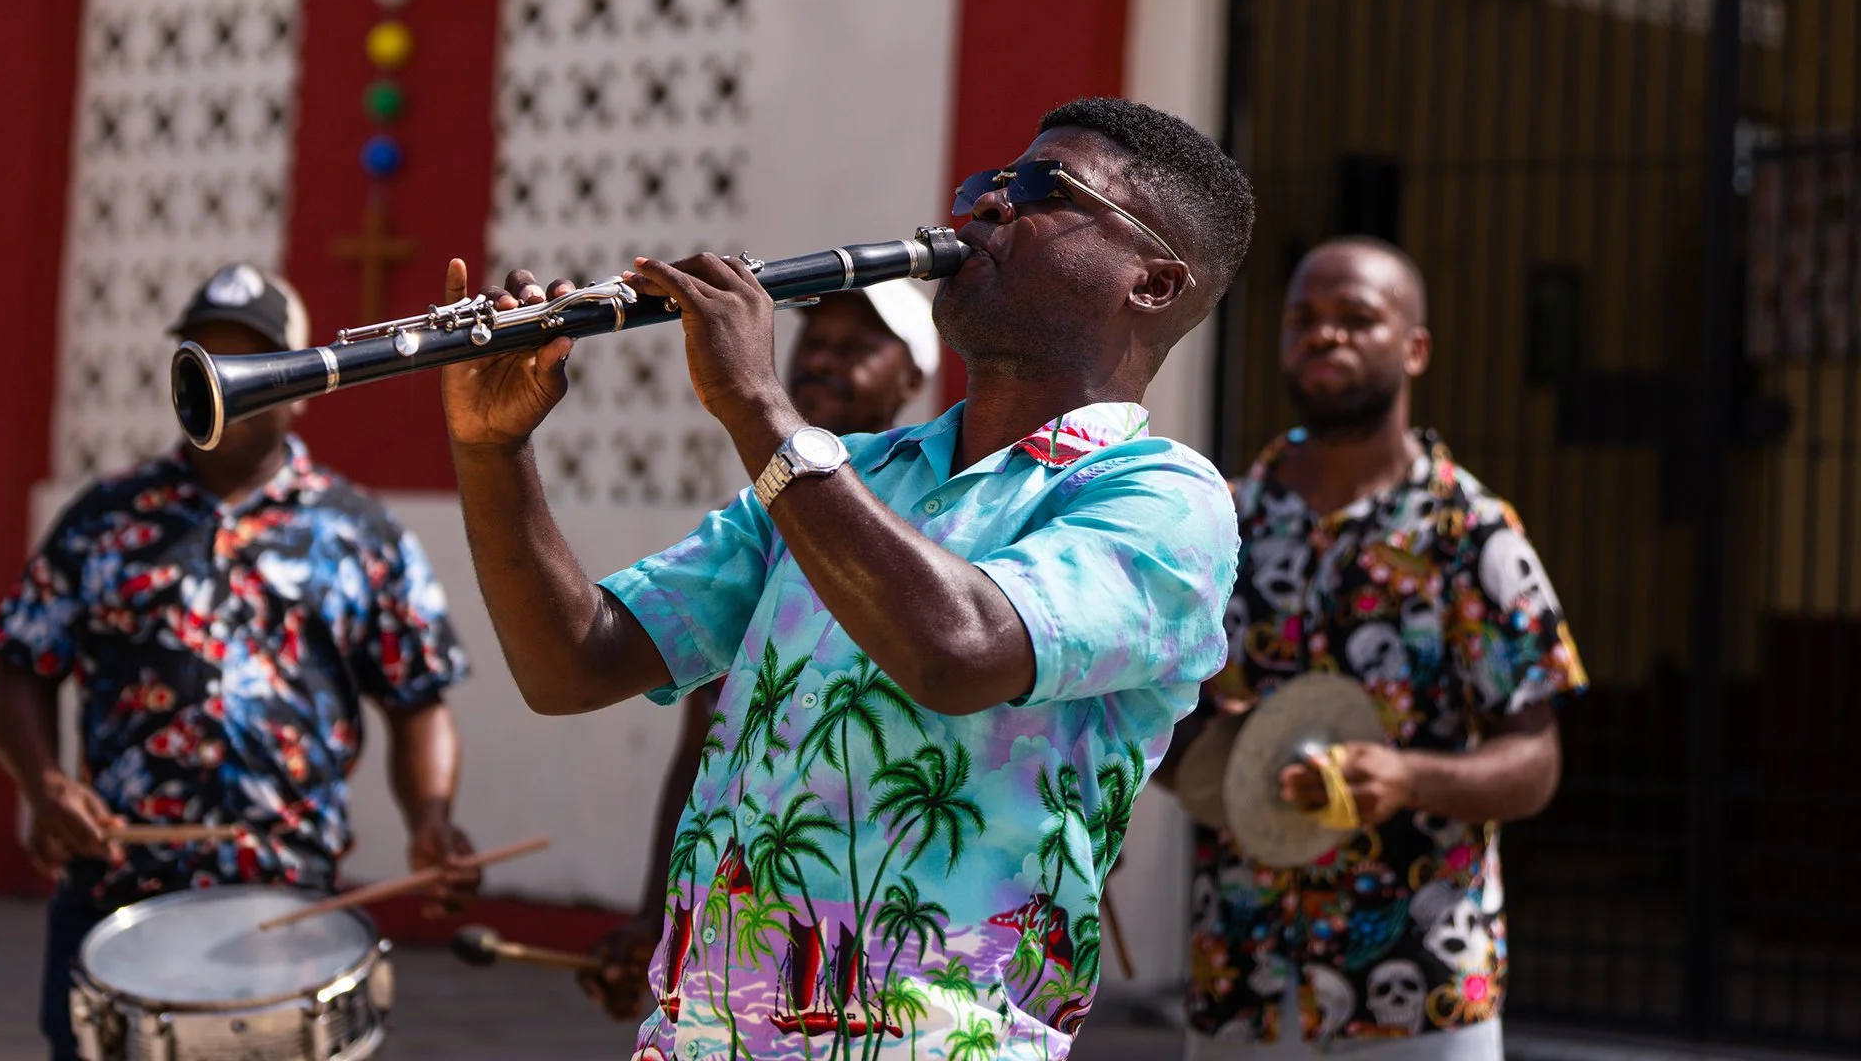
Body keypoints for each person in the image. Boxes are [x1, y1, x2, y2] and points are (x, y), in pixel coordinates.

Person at [442, 96, 1254, 1059]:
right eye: (988, 184)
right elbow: (571, 667)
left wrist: (757, 404)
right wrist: (494, 449)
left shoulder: (1164, 501)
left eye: (1042, 189)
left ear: (1154, 283)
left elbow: (956, 653)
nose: (989, 206)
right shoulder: (846, 473)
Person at [0, 263, 483, 1061]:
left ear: (297, 383)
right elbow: (21, 666)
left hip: (289, 912)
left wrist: (430, 819)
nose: (219, 380)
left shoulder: (360, 530)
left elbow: (419, 697)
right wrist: (45, 787)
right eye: (200, 356)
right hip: (119, 902)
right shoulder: (104, 518)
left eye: (246, 361)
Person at [1161, 238, 1587, 1057]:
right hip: (1243, 977)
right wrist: (1214, 745)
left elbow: (1534, 765)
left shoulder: (1472, 534)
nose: (1325, 336)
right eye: (1304, 320)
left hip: (1416, 987)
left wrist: (1407, 777)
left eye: (1357, 318)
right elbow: (1156, 728)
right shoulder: (1218, 522)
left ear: (1415, 347)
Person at [582, 280, 940, 1019]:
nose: (824, 361)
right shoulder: (759, 516)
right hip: (732, 968)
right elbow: (700, 744)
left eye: (858, 347)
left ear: (913, 379)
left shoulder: (934, 538)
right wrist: (656, 916)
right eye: (816, 342)